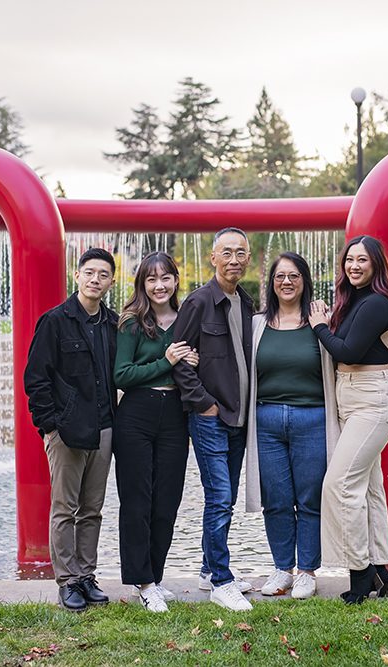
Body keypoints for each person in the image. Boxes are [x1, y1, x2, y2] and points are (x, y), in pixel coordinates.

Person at [24, 247, 118, 613]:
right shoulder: (55, 321)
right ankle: (66, 581)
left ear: (111, 282)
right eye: (89, 272)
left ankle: (86, 576)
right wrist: (50, 427)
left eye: (103, 275)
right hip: (66, 431)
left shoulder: (112, 324)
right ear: (77, 275)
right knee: (65, 507)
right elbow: (36, 379)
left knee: (92, 509)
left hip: (104, 429)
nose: (96, 279)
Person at [308, 235, 388, 604]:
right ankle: (379, 569)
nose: (354, 266)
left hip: (371, 403)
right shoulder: (353, 302)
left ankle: (360, 573)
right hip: (352, 398)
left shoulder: (377, 303)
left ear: (376, 263)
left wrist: (319, 326)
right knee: (369, 489)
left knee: (339, 485)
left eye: (362, 259)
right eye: (349, 259)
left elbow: (347, 351)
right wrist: (328, 319)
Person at [244, 253, 339, 600]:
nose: (286, 282)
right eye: (280, 276)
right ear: (271, 282)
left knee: (310, 498)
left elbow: (347, 350)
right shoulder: (256, 325)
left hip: (311, 418)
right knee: (277, 499)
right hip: (266, 421)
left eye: (294, 276)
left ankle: (307, 572)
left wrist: (384, 360)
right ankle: (282, 569)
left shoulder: (319, 321)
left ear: (304, 281)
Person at [172, 227, 255, 611]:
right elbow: (179, 359)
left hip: (239, 417)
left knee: (226, 497)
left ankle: (209, 569)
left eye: (240, 253)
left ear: (248, 258)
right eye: (227, 252)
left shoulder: (246, 302)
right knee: (219, 497)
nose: (234, 259)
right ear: (213, 257)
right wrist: (204, 404)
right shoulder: (198, 302)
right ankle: (222, 581)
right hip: (210, 418)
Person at [113, 252, 199, 613]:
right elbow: (122, 375)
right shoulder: (132, 323)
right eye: (151, 279)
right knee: (137, 501)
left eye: (165, 278)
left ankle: (155, 578)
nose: (159, 286)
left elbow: (194, 366)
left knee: (167, 500)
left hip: (175, 415)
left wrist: (194, 362)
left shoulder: (186, 321)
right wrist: (167, 362)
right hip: (137, 413)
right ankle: (143, 582)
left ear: (176, 281)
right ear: (142, 284)